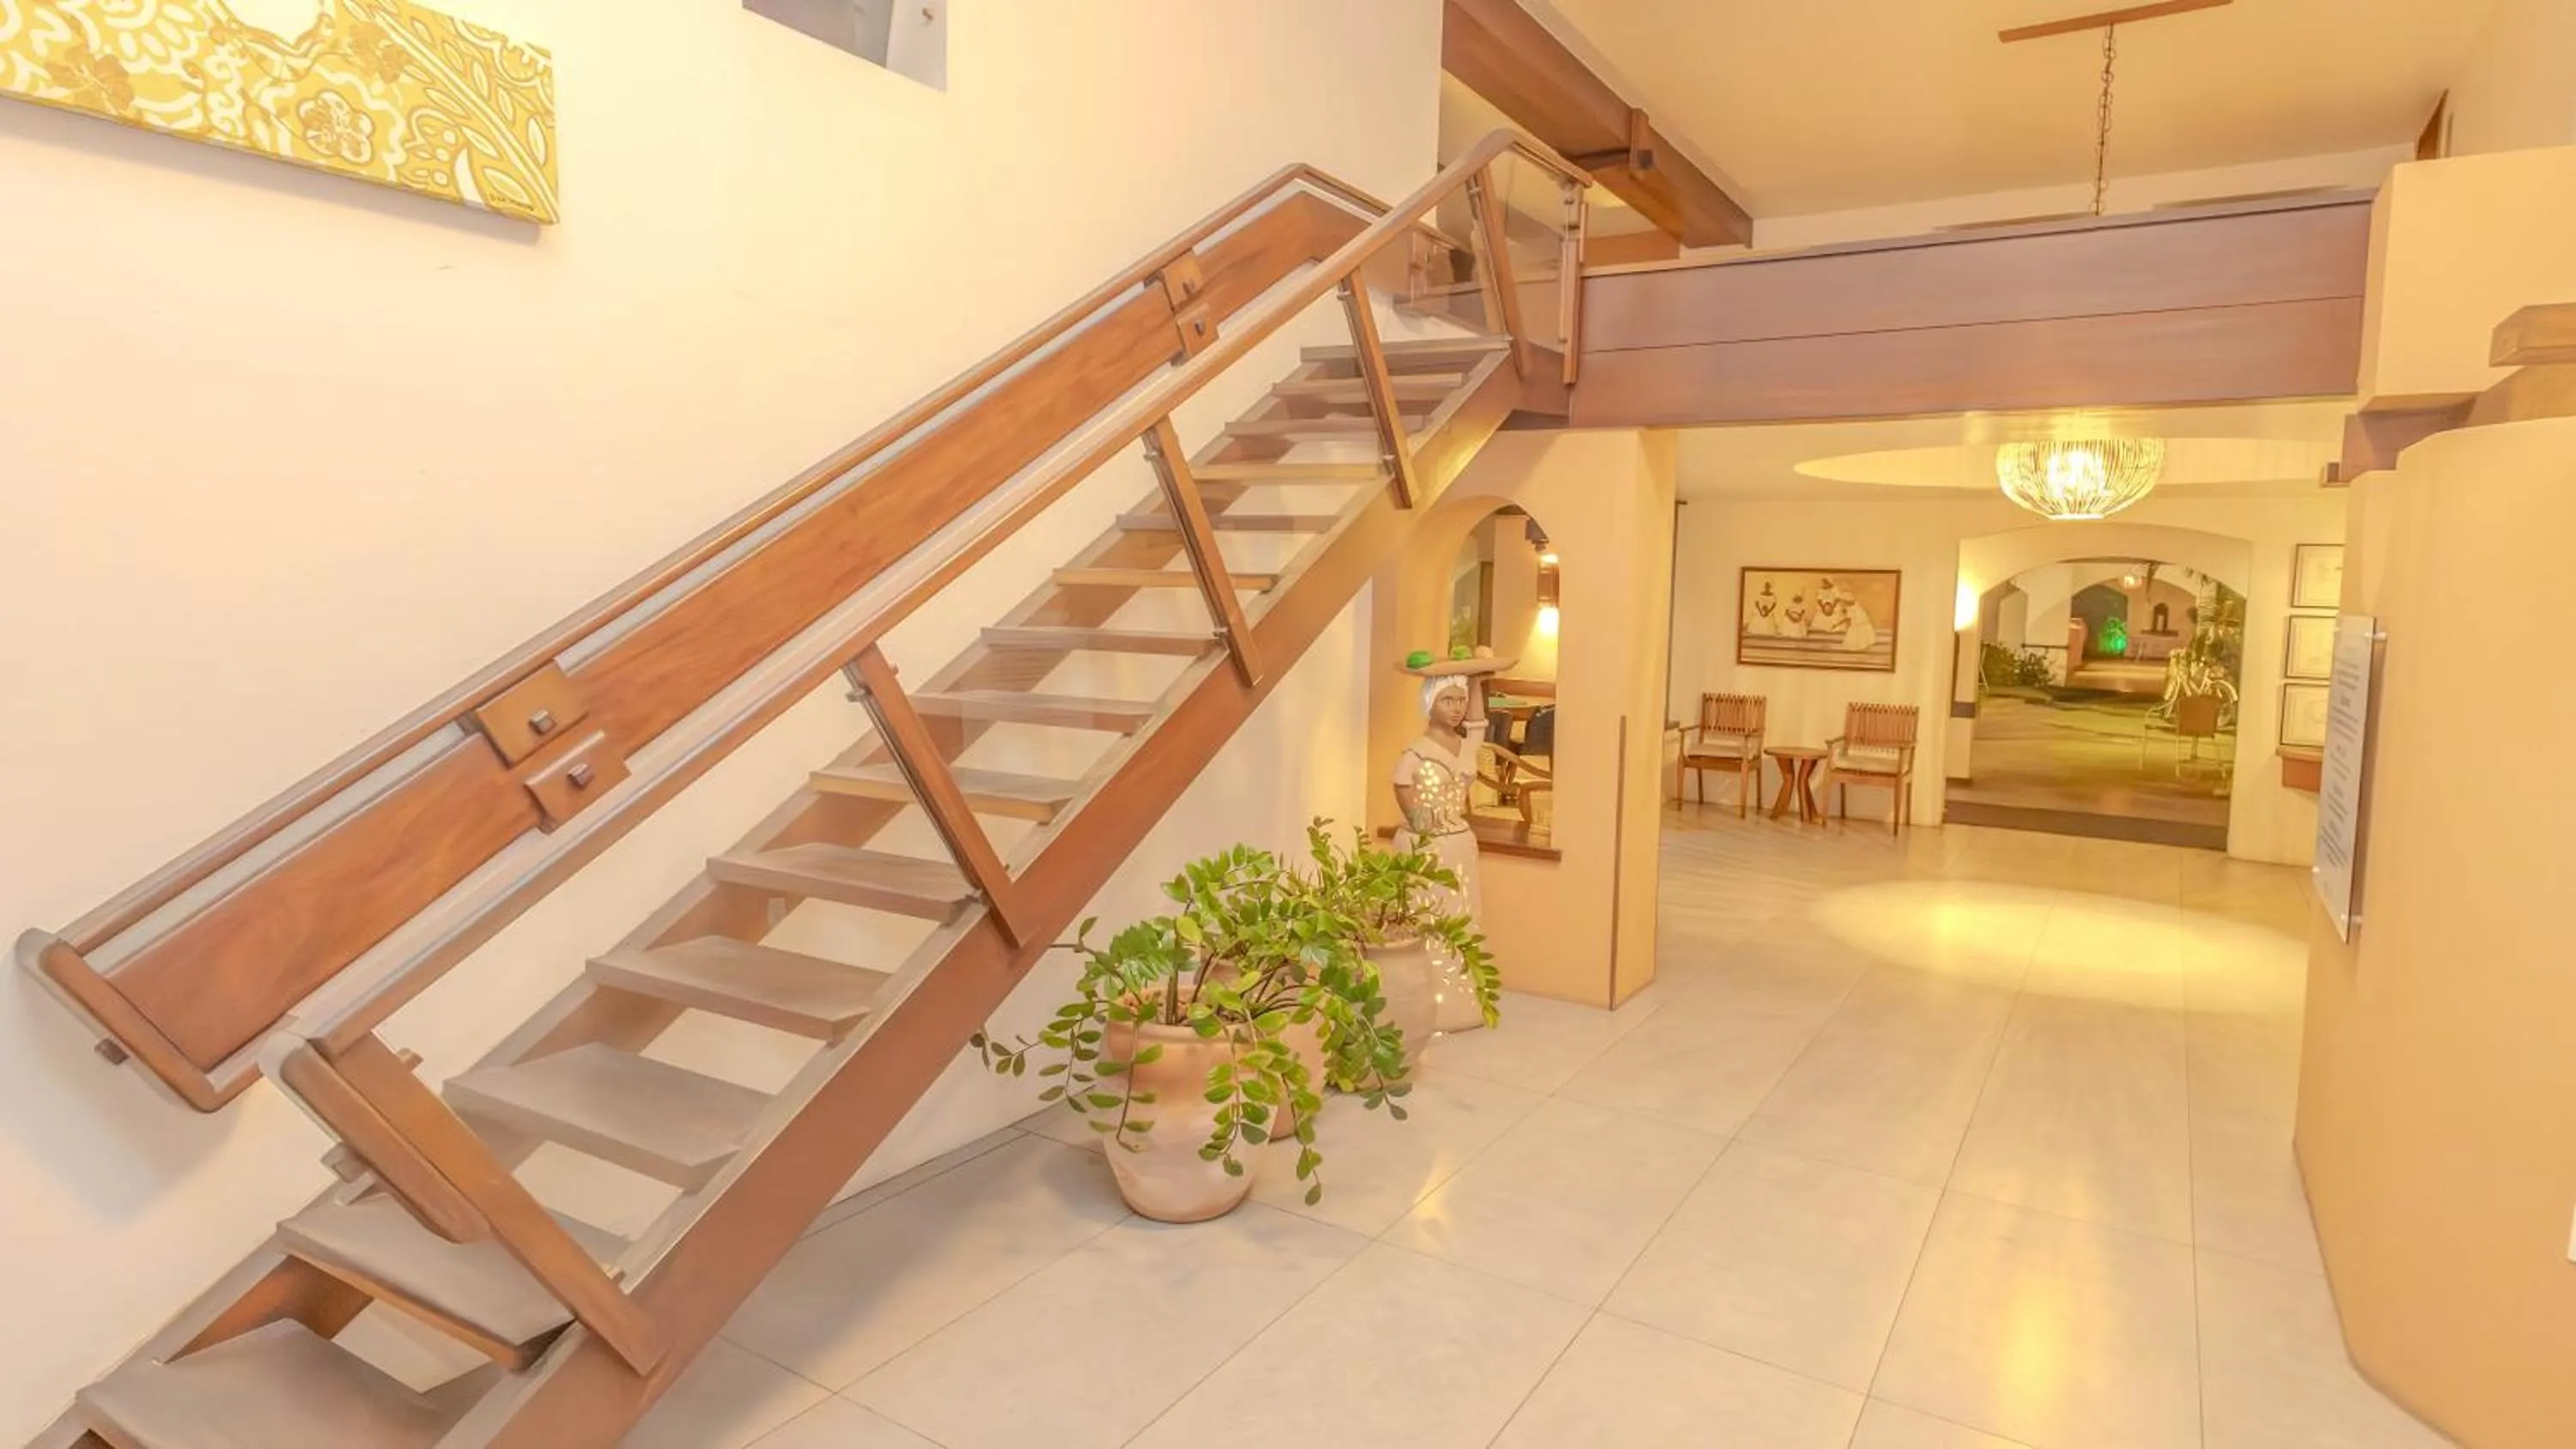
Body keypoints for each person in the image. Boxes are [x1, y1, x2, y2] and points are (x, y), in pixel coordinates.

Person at [1392, 673, 1488, 1034]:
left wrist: (1476, 680)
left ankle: (1462, 1001)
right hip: (1427, 844)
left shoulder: (1465, 746)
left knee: (1463, 917)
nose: (1457, 708)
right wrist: (1416, 816)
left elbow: (1479, 723)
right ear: (1429, 704)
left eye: (1460, 701)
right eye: (1448, 701)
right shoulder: (1417, 750)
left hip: (1460, 843)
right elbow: (1401, 782)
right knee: (1427, 918)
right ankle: (1426, 1002)